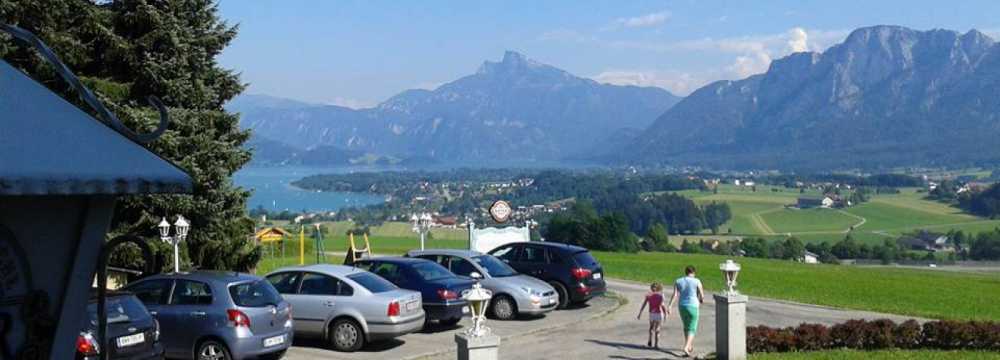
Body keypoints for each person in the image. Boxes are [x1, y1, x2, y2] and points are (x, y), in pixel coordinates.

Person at [666, 265, 704, 357]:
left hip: (682, 306)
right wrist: (701, 300)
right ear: (694, 272)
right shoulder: (697, 281)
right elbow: (702, 295)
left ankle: (689, 346)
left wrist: (670, 306)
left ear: (685, 272)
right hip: (693, 305)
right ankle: (686, 346)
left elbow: (675, 294)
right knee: (692, 327)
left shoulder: (678, 281)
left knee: (686, 326)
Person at [636, 282, 666, 348]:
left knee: (651, 328)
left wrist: (640, 313)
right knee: (657, 329)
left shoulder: (648, 295)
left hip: (652, 313)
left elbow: (644, 304)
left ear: (651, 288)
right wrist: (665, 313)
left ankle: (650, 340)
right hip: (659, 313)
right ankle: (656, 345)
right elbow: (663, 305)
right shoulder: (661, 295)